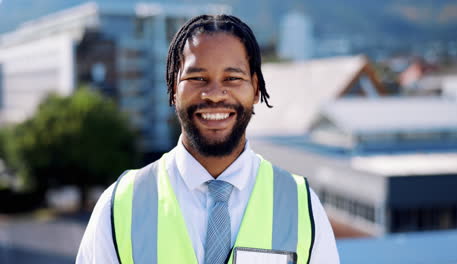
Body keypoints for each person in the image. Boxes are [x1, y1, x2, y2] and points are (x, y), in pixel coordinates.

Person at [76, 14, 339, 264]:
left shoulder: (302, 205)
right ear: (173, 89)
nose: (214, 94)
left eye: (232, 78)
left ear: (256, 89)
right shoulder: (120, 205)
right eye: (197, 78)